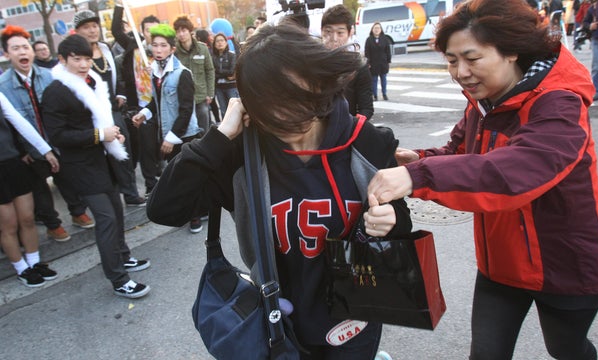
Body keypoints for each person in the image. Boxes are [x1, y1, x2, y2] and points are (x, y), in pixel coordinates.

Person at [367, 0, 598, 358]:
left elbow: (517, 171)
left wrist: (417, 174)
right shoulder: (482, 103)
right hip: (501, 265)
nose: (461, 72)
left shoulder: (560, 104)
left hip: (566, 265)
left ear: (511, 52)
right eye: (452, 61)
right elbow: (462, 154)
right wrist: (418, 158)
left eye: (472, 58)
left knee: (567, 349)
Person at [147, 23, 412, 359]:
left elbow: (401, 225)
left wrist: (391, 220)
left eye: (295, 97)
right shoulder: (242, 155)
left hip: (357, 317)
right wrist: (218, 137)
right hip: (279, 321)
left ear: (318, 82)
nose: (285, 115)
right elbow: (163, 210)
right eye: (268, 107)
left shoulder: (367, 142)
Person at [41, 34, 151, 299]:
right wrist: (100, 135)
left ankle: (123, 257)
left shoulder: (92, 81)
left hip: (103, 161)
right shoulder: (56, 91)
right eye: (76, 59)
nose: (82, 64)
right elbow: (58, 136)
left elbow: (100, 120)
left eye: (87, 58)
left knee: (116, 212)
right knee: (106, 219)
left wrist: (113, 133)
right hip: (80, 167)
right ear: (62, 60)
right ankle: (118, 278)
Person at [0, 25, 94, 242]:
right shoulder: (3, 86)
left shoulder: (49, 76)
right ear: (7, 54)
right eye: (16, 48)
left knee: (66, 177)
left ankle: (78, 212)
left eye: (25, 47)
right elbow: (10, 123)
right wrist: (22, 150)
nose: (22, 52)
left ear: (32, 51)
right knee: (39, 187)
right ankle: (53, 224)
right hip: (27, 148)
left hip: (57, 140)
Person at [130, 24, 202, 233]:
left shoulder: (182, 74)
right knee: (177, 177)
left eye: (163, 45)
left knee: (187, 177)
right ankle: (187, 211)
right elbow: (156, 101)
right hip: (168, 135)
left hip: (185, 135)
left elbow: (187, 110)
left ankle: (195, 215)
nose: (158, 49)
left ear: (172, 49)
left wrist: (171, 138)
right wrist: (143, 114)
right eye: (155, 45)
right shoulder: (155, 72)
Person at [73, 9, 146, 206]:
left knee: (125, 147)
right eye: (86, 27)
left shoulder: (105, 49)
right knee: (102, 155)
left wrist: (120, 94)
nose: (92, 30)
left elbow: (116, 75)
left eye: (94, 26)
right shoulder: (77, 55)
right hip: (91, 112)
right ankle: (110, 193)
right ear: (77, 30)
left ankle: (130, 192)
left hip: (113, 109)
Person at [0, 91, 59, 287]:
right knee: (8, 225)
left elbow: (19, 121)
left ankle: (34, 263)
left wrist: (45, 151)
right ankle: (21, 269)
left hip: (12, 164)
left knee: (27, 217)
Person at [111, 4, 162, 197]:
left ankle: (161, 173)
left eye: (154, 30)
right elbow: (116, 30)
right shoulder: (134, 45)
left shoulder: (163, 49)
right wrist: (118, 6)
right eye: (147, 30)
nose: (150, 34)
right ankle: (151, 184)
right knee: (146, 147)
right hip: (141, 106)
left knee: (160, 145)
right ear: (142, 31)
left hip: (160, 105)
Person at [321, 4, 374, 121]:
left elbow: (366, 109)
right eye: (328, 31)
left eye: (340, 33)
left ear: (350, 33)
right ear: (321, 32)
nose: (334, 38)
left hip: (346, 131)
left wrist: (352, 127)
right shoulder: (313, 63)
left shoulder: (358, 66)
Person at [173, 16, 216, 133]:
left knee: (204, 128)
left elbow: (210, 70)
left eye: (184, 30)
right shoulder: (174, 52)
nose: (181, 34)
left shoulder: (202, 48)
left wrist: (210, 93)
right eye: (178, 32)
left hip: (201, 96)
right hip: (183, 98)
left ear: (190, 31)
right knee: (188, 130)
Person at [211, 32, 239, 119]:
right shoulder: (212, 57)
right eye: (217, 41)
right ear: (214, 44)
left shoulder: (232, 55)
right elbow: (212, 72)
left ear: (226, 42)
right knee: (223, 111)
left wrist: (217, 71)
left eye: (222, 40)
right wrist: (222, 74)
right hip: (219, 87)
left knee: (234, 110)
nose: (220, 43)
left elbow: (231, 71)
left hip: (231, 86)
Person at [365, 22, 392, 101]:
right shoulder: (369, 39)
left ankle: (384, 94)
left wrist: (388, 61)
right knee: (374, 80)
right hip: (373, 63)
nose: (377, 30)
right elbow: (367, 52)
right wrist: (368, 63)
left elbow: (388, 51)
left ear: (381, 30)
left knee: (383, 79)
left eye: (378, 28)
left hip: (383, 63)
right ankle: (375, 95)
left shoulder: (385, 39)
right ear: (372, 30)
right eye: (375, 28)